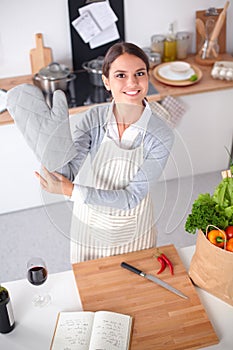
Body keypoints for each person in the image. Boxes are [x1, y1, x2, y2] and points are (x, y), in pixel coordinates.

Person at [35, 42, 174, 263]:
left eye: (140, 73)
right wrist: (54, 141)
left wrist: (70, 190)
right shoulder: (94, 118)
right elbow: (68, 170)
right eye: (121, 75)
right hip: (91, 219)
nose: (132, 82)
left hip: (133, 223)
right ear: (106, 82)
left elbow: (131, 197)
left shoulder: (161, 134)